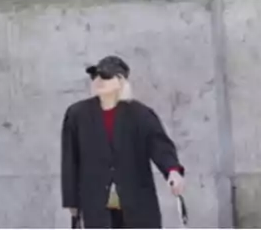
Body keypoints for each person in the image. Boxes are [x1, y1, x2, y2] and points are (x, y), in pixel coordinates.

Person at [61, 55, 185, 228]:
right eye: (95, 76)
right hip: (95, 201)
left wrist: (172, 171)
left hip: (136, 199)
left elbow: (159, 144)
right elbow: (70, 159)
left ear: (120, 80)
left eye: (105, 76)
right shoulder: (77, 114)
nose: (98, 80)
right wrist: (72, 201)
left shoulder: (140, 114)